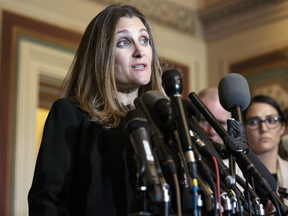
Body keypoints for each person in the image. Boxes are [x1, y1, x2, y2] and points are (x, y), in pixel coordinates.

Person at [28, 4, 163, 215]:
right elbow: (47, 202)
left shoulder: (163, 124)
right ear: (101, 55)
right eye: (124, 42)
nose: (139, 51)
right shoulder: (70, 114)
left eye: (144, 40)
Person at [243, 95, 288, 207]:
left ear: (282, 127)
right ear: (243, 129)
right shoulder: (226, 170)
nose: (263, 129)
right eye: (254, 122)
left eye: (271, 120)